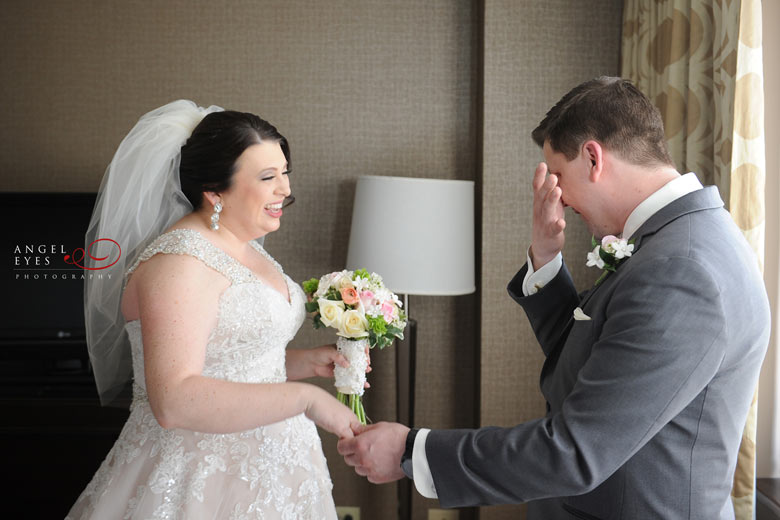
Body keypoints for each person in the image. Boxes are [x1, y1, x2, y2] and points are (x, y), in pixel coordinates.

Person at [338, 77, 771, 519]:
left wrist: (414, 451)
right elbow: (598, 361)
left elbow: (575, 451)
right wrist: (545, 258)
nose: (559, 198)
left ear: (592, 157)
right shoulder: (679, 242)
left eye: (559, 176)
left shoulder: (679, 270)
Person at [67, 100, 358, 519]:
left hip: (279, 468)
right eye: (267, 177)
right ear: (215, 191)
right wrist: (306, 399)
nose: (285, 190)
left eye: (284, 173)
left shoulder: (240, 244)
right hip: (198, 477)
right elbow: (174, 400)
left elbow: (229, 360)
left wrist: (305, 363)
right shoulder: (180, 262)